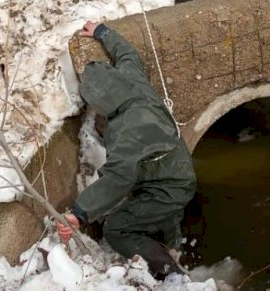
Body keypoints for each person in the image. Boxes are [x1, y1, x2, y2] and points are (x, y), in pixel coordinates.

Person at [56, 21, 197, 280]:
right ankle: (174, 245)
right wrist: (102, 32)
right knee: (167, 212)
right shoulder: (133, 82)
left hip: (167, 185)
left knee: (117, 228)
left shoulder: (127, 132)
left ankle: (172, 275)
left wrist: (79, 212)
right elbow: (127, 55)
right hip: (175, 167)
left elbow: (118, 178)